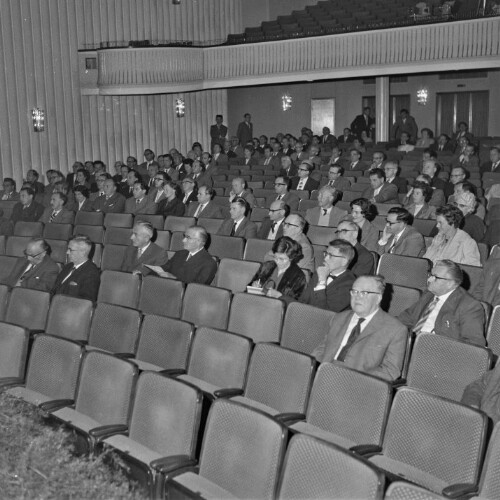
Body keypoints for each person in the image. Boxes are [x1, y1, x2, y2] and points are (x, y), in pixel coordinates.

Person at [312, 275, 408, 381]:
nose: (357, 297)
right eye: (354, 292)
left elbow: (390, 371)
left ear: (378, 298)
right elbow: (321, 350)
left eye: (364, 293)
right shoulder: (339, 318)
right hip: (324, 376)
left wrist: (356, 380)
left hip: (358, 384)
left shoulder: (395, 330)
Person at [398, 260, 485, 345]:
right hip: (412, 344)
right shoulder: (429, 294)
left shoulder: (469, 306)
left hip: (438, 351)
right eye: (430, 274)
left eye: (435, 277)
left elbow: (474, 345)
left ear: (450, 283)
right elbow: (406, 318)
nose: (429, 279)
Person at [300, 239, 357, 312]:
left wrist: (322, 281)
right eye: (326, 254)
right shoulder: (320, 272)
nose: (325, 258)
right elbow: (303, 300)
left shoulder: (350, 284)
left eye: (331, 255)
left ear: (344, 261)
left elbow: (325, 313)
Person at [250, 236, 307, 301]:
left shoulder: (298, 277)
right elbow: (249, 289)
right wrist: (253, 286)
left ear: (291, 258)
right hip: (257, 303)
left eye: (281, 259)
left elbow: (297, 305)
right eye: (275, 257)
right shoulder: (266, 266)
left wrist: (280, 296)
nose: (277, 261)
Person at [52, 235, 100, 302]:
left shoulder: (91, 273)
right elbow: (54, 289)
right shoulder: (68, 266)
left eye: (70, 250)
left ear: (82, 252)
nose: (67, 252)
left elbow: (85, 302)